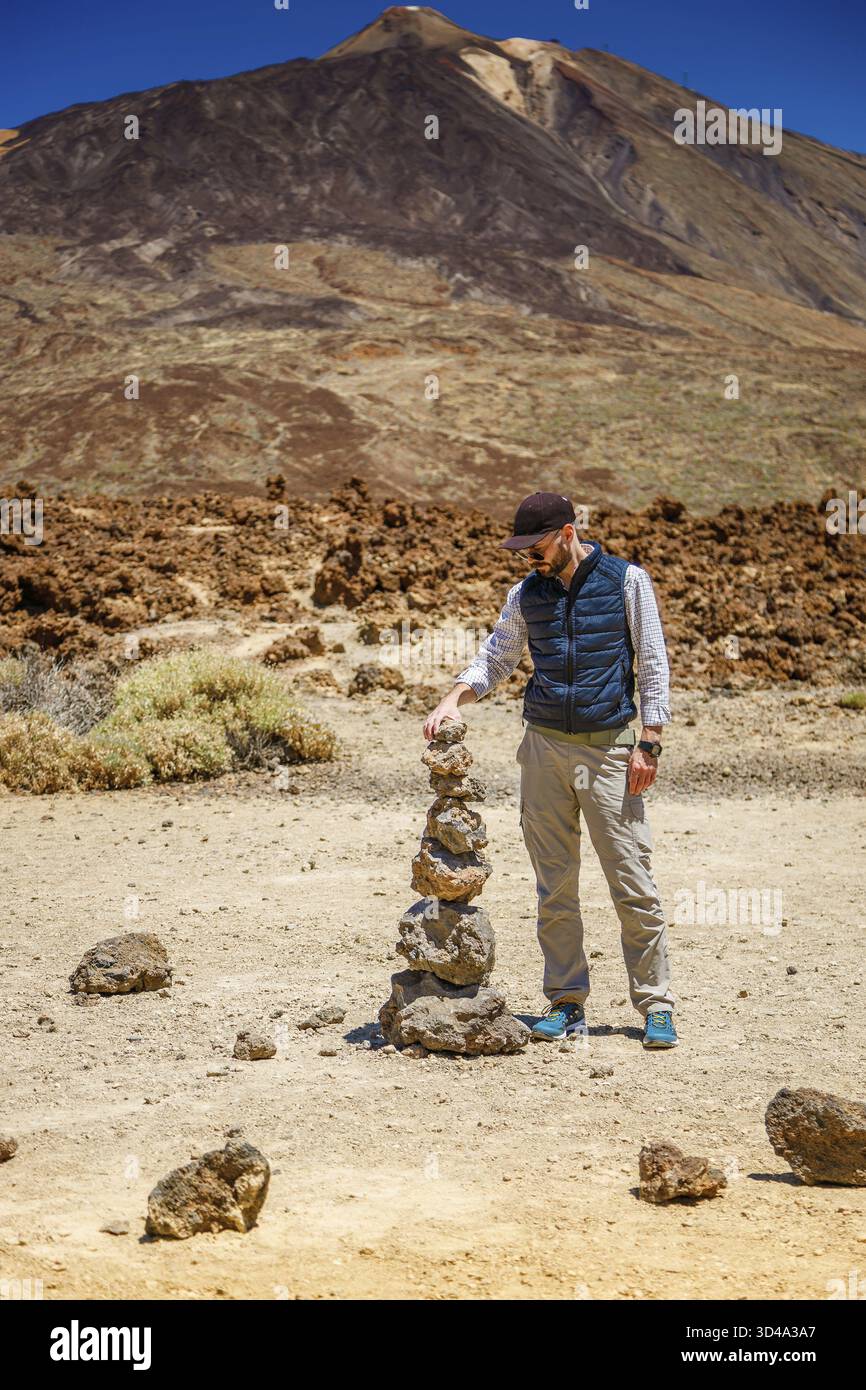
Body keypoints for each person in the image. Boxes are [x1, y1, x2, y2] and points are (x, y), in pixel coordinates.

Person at [424, 492, 677, 1049]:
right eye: (521, 553)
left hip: (610, 750)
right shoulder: (525, 593)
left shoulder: (626, 581)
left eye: (535, 549)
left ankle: (656, 1004)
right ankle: (566, 1002)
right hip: (542, 748)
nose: (528, 561)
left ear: (567, 533)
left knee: (631, 881)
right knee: (554, 884)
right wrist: (453, 698)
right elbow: (498, 657)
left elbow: (653, 660)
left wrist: (649, 743)